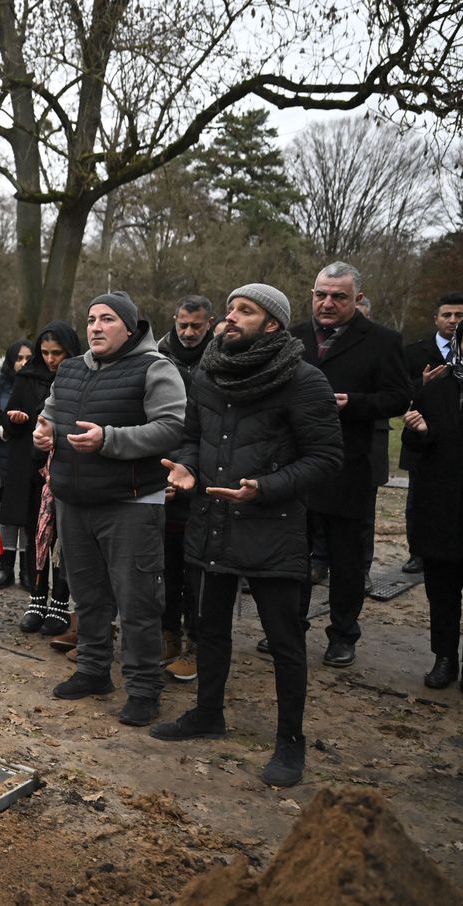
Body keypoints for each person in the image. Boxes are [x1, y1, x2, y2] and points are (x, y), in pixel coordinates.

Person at [153, 283, 343, 788]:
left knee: (285, 642)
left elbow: (327, 459)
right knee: (208, 628)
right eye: (231, 308)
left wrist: (265, 489)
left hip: (273, 531)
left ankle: (290, 742)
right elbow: (191, 437)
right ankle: (207, 713)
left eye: (245, 311)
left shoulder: (305, 382)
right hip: (210, 524)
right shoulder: (210, 374)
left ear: (273, 324)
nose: (229, 318)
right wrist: (188, 469)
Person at [35, 292, 186, 727]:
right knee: (88, 596)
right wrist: (42, 436)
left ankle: (143, 689)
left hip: (131, 503)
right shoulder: (69, 370)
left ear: (130, 327)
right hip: (74, 502)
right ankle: (93, 670)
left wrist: (110, 440)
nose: (95, 327)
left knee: (137, 602)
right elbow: (49, 418)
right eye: (90, 320)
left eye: (106, 320)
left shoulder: (156, 367)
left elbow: (171, 428)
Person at [286, 262, 410, 668]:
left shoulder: (383, 341)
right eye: (321, 294)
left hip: (349, 466)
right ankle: (290, 628)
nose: (327, 303)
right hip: (295, 465)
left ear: (356, 299)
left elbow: (396, 397)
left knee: (345, 560)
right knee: (293, 555)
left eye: (338, 296)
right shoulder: (294, 337)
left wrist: (352, 403)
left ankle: (342, 634)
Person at [4, 322, 81, 635]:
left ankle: (60, 601)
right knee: (35, 532)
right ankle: (36, 598)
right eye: (46, 353)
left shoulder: (79, 377)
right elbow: (7, 423)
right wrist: (15, 418)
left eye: (58, 353)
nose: (51, 360)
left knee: (62, 535)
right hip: (29, 468)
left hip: (65, 466)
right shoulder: (27, 377)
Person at [155, 296, 215, 681]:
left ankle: (198, 642)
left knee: (199, 570)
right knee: (165, 563)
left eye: (196, 326)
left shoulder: (222, 358)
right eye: (183, 325)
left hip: (207, 473)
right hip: (164, 468)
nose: (189, 333)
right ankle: (167, 633)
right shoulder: (157, 357)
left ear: (210, 323)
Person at [402, 327, 463, 691]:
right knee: (441, 590)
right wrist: (420, 430)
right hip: (441, 507)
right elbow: (414, 444)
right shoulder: (437, 387)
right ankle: (445, 657)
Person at [400, 292, 463, 574]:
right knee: (418, 499)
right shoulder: (414, 352)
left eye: (458, 315)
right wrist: (420, 384)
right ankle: (418, 552)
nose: (452, 320)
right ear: (435, 318)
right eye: (447, 315)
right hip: (423, 438)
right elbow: (396, 393)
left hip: (454, 443)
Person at [0, 338, 34, 589]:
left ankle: (28, 570)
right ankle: (5, 568)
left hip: (29, 457)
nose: (24, 363)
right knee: (5, 515)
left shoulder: (39, 382)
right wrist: (6, 430)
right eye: (19, 358)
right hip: (2, 457)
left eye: (28, 358)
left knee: (27, 514)